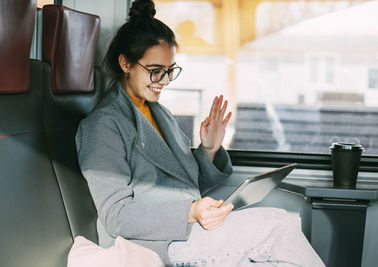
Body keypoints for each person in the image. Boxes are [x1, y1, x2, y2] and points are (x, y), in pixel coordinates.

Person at [76, 0, 324, 266]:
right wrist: (191, 212)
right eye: (155, 71)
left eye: (170, 71)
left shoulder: (160, 113)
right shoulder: (103, 125)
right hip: (156, 242)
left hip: (187, 229)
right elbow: (116, 216)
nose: (166, 81)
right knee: (276, 230)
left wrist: (209, 149)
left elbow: (184, 185)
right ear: (125, 64)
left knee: (281, 219)